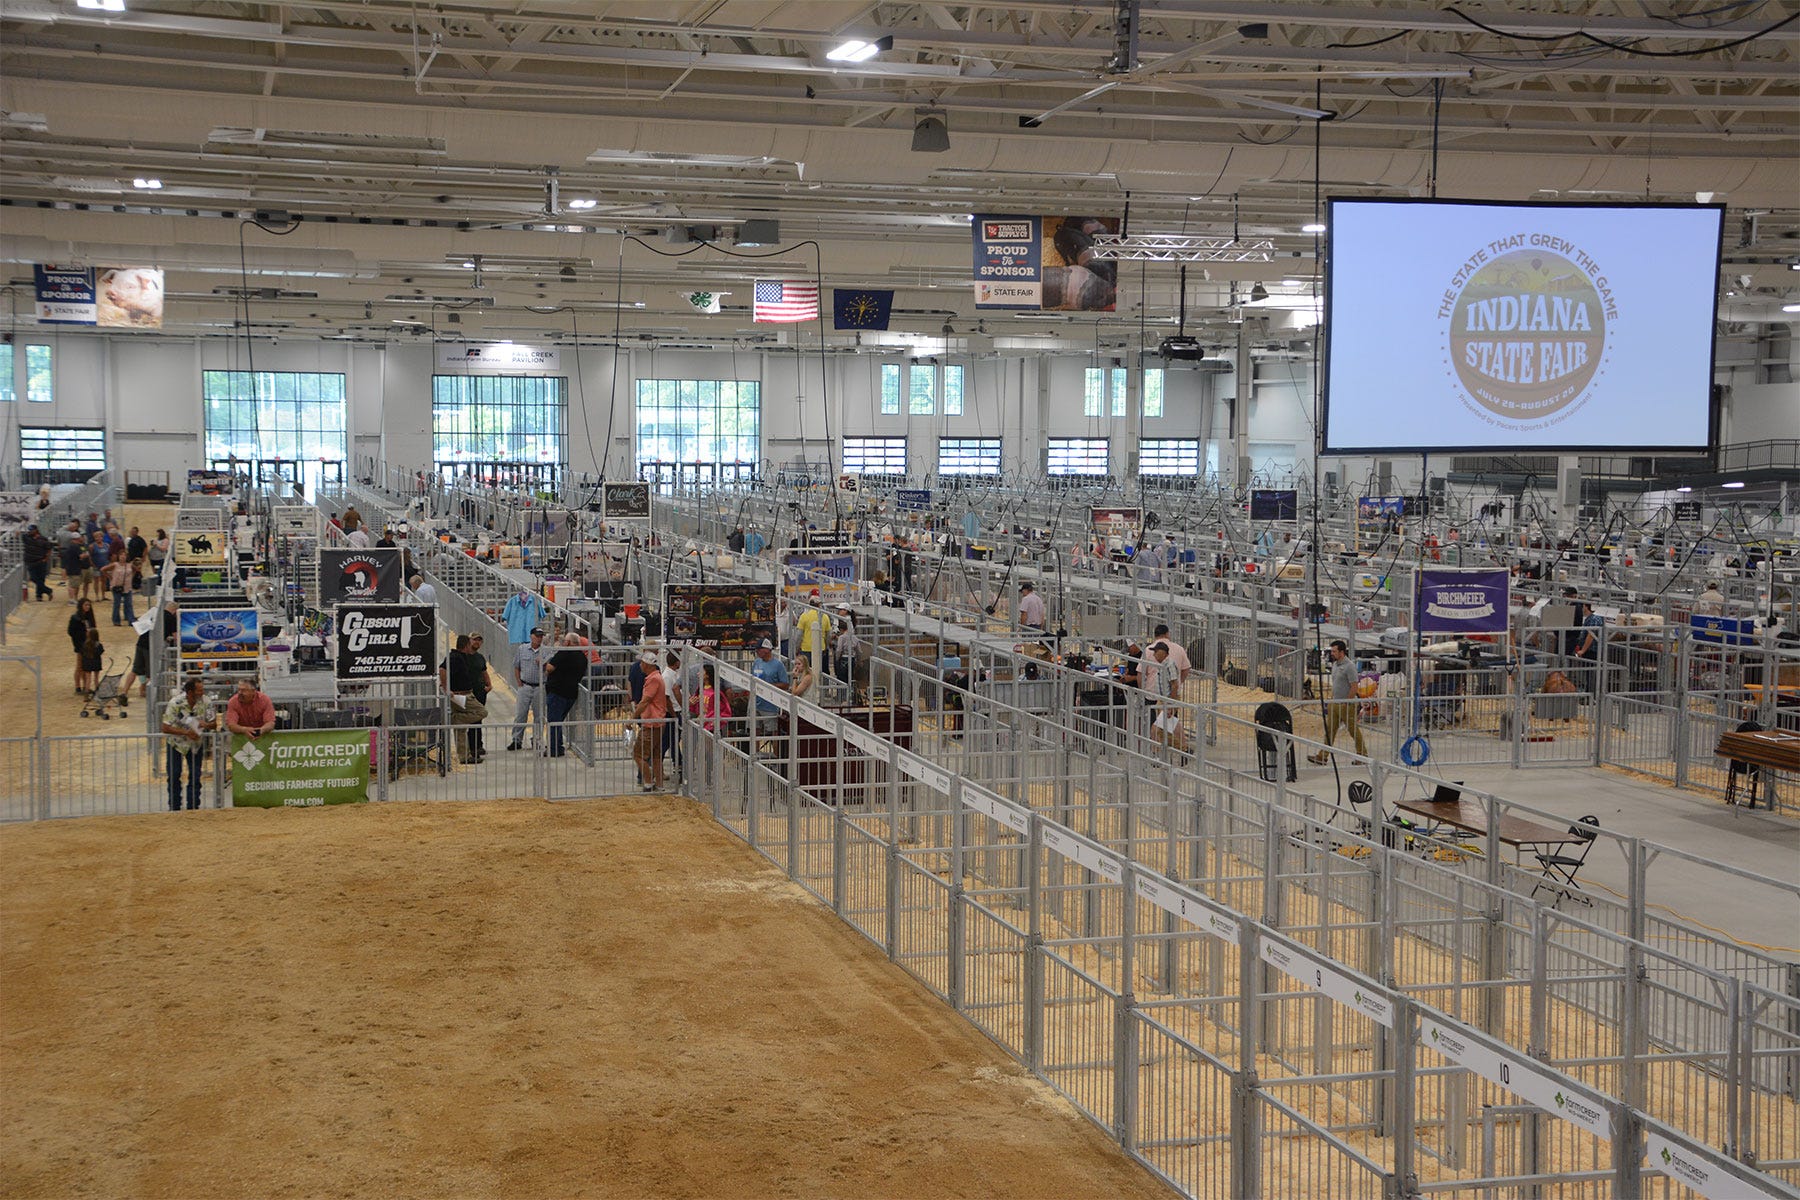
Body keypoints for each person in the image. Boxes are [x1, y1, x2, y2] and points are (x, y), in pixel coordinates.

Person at [160, 677, 216, 811]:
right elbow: (165, 727)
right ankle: (174, 807)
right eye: (199, 690)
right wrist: (186, 733)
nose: (202, 693)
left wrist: (205, 724)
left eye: (202, 690)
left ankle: (193, 807)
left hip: (196, 745)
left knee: (196, 776)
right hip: (176, 744)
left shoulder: (207, 702)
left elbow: (214, 724)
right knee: (174, 776)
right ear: (190, 692)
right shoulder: (175, 703)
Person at [1311, 639, 1368, 763]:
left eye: (1334, 651)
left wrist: (1346, 701)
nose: (1332, 653)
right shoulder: (1335, 665)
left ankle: (1362, 755)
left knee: (1353, 730)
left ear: (1341, 652)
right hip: (1335, 703)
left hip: (1346, 705)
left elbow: (1354, 686)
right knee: (1330, 730)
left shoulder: (1349, 666)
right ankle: (1323, 756)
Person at [440, 633, 487, 764]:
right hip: (461, 695)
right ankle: (454, 719)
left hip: (462, 694)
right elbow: (442, 669)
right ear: (466, 645)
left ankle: (464, 756)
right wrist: (445, 688)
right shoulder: (455, 657)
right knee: (482, 712)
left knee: (460, 730)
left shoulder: (460, 657)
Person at [542, 632, 589, 758]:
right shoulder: (582, 657)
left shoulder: (564, 653)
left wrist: (544, 664)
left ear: (568, 643)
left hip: (557, 692)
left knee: (553, 721)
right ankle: (559, 747)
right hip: (571, 693)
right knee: (558, 721)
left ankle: (553, 749)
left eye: (565, 641)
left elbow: (550, 668)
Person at [634, 648, 668, 791]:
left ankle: (648, 782)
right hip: (658, 721)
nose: (640, 666)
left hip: (651, 722)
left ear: (647, 664)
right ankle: (659, 784)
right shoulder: (657, 677)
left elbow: (645, 700)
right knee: (655, 755)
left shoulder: (653, 679)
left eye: (642, 663)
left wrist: (634, 717)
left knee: (639, 754)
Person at [508, 627, 546, 751]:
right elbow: (516, 666)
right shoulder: (522, 649)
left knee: (539, 715)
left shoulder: (546, 651)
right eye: (537, 636)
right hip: (525, 685)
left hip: (540, 687)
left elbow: (550, 670)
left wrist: (544, 664)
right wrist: (519, 681)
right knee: (520, 714)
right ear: (531, 636)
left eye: (541, 636)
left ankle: (537, 739)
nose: (539, 638)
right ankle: (516, 740)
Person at [749, 638, 791, 738]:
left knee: (773, 732)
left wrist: (768, 686)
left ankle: (775, 753)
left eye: (758, 650)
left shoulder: (778, 665)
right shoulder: (756, 662)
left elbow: (785, 684)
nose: (757, 652)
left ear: (766, 650)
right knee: (754, 730)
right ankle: (755, 751)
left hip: (770, 704)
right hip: (755, 702)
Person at [794, 590, 828, 678]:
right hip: (820, 648)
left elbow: (799, 635)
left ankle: (807, 688)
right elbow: (828, 634)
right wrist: (826, 646)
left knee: (806, 672)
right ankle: (819, 689)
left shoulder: (804, 616)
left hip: (806, 648)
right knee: (818, 672)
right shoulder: (824, 616)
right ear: (819, 605)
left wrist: (796, 648)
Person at [67, 598, 98, 693]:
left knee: (86, 666)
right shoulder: (75, 618)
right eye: (86, 605)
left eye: (89, 605)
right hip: (80, 644)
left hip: (89, 645)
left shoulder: (89, 617)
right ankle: (77, 686)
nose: (87, 607)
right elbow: (71, 632)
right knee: (79, 666)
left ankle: (86, 686)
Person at [661, 650, 684, 778]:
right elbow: (666, 698)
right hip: (672, 713)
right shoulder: (667, 677)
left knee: (673, 741)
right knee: (669, 742)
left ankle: (679, 765)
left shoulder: (672, 675)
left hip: (675, 712)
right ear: (677, 662)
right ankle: (678, 765)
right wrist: (674, 715)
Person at [21, 524, 54, 601]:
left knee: (41, 579)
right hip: (30, 562)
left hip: (41, 561)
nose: (30, 532)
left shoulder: (43, 539)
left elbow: (49, 549)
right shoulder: (27, 538)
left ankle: (39, 596)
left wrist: (46, 558)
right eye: (29, 530)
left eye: (31, 530)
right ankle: (48, 590)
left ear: (36, 530)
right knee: (33, 578)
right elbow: (20, 535)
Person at [832, 604, 859, 691]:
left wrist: (837, 637)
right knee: (845, 676)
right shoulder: (840, 619)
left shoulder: (848, 622)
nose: (839, 611)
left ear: (846, 610)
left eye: (841, 610)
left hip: (843, 655)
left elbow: (845, 638)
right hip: (848, 655)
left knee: (842, 676)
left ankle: (843, 695)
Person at [107, 555, 136, 626]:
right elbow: (103, 569)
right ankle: (116, 621)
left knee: (129, 604)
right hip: (117, 587)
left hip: (127, 587)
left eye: (124, 556)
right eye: (121, 556)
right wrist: (111, 578)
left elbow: (135, 570)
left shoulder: (129, 565)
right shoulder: (115, 565)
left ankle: (131, 620)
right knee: (117, 604)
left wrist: (131, 577)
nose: (123, 557)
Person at [79, 626, 105, 696]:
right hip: (96, 663)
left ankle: (86, 694)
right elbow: (101, 651)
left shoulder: (85, 644)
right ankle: (98, 693)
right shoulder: (98, 645)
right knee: (96, 679)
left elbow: (82, 653)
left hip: (87, 663)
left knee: (88, 679)